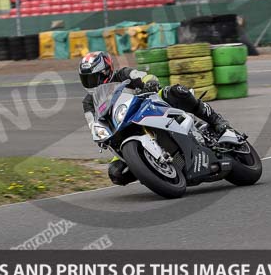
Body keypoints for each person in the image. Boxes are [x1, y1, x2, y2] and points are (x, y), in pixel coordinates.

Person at [79, 51, 236, 186]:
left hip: (149, 106)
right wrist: (99, 135)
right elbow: (93, 123)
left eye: (94, 78)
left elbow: (143, 76)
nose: (91, 83)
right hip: (123, 129)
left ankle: (216, 121)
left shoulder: (123, 74)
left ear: (106, 71)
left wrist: (149, 82)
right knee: (116, 173)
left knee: (176, 91)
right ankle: (153, 171)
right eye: (86, 79)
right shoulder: (89, 101)